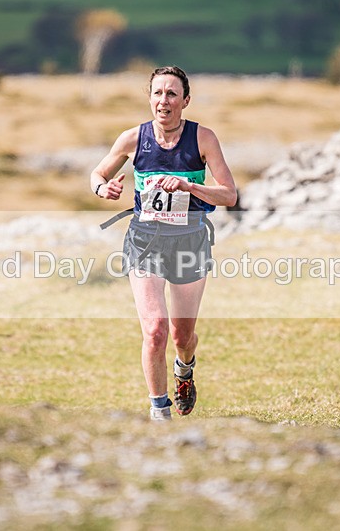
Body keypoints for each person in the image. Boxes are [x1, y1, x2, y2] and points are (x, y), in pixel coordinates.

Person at [90, 66, 237, 421]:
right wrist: (102, 188)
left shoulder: (203, 139)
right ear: (149, 98)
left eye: (172, 94)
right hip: (146, 241)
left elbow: (229, 194)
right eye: (157, 93)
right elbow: (97, 174)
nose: (163, 101)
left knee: (181, 335)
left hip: (189, 242)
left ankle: (184, 370)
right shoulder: (132, 138)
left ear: (185, 101)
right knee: (155, 329)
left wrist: (190, 187)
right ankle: (159, 411)